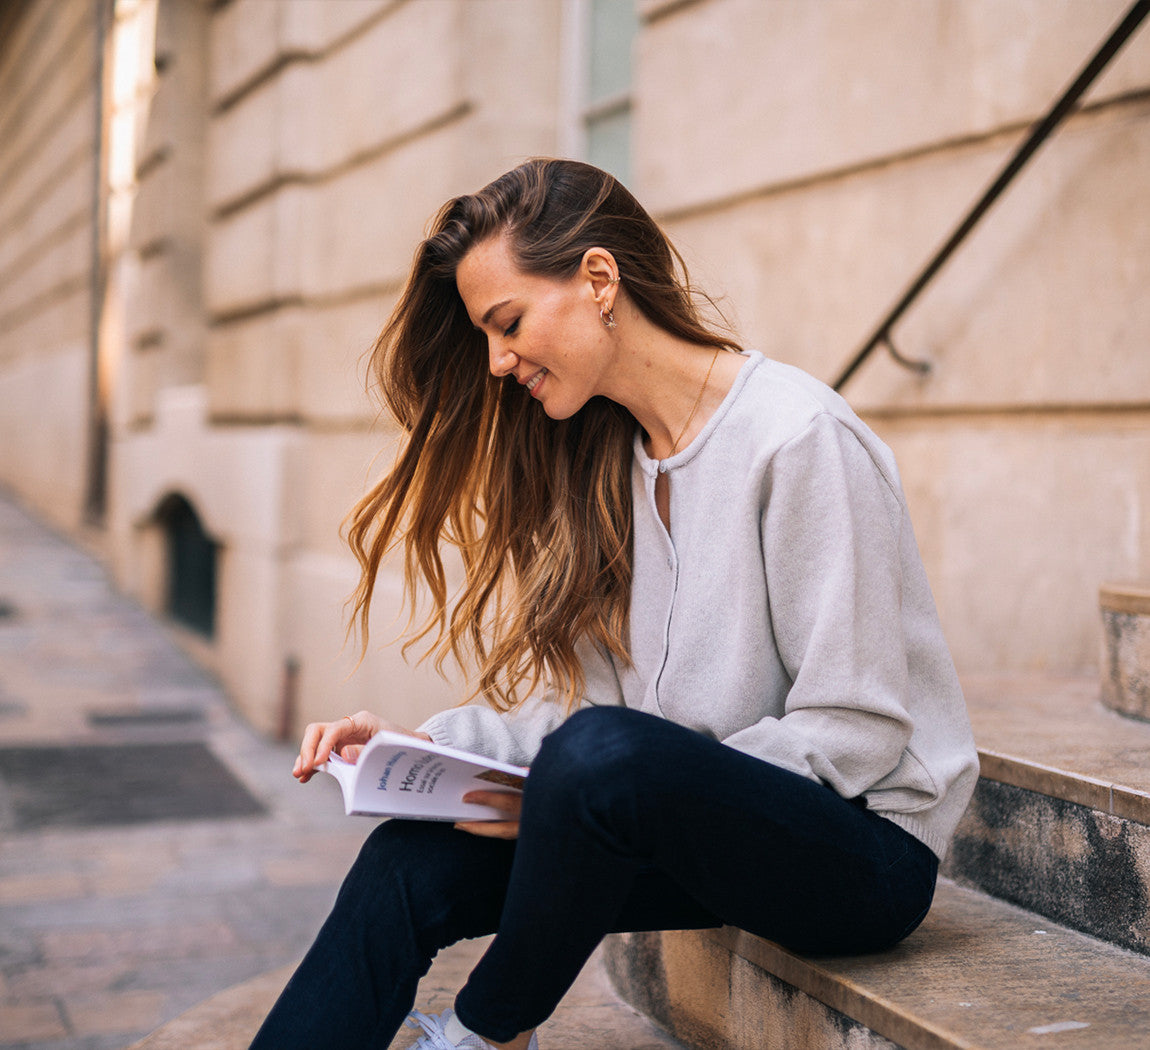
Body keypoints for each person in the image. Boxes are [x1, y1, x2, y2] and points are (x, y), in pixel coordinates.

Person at [249, 158, 979, 1050]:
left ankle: (485, 1033)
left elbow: (856, 729)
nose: (497, 361)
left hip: (860, 853)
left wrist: (637, 787)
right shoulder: (614, 461)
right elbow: (591, 721)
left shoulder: (798, 439)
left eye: (508, 323)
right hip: (681, 824)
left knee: (602, 759)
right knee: (407, 861)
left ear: (599, 279)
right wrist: (423, 751)